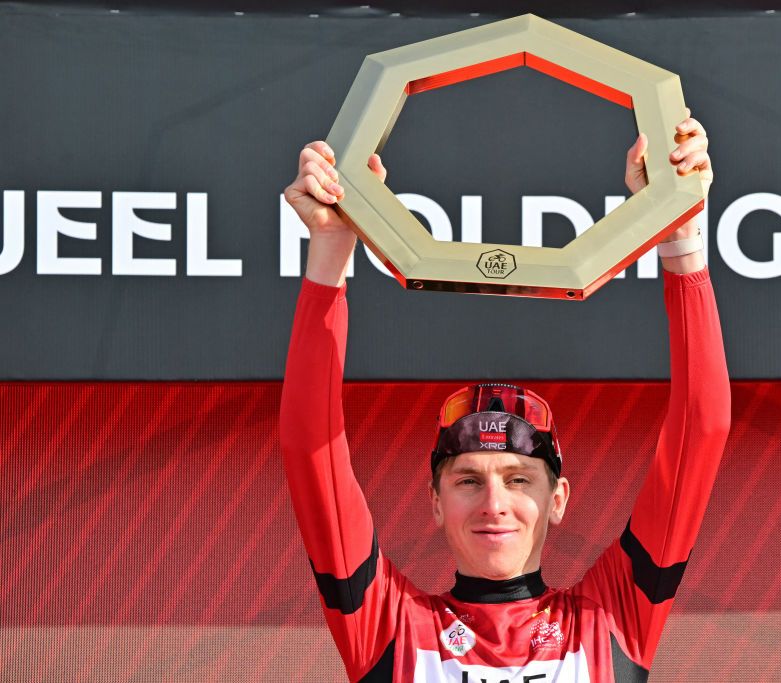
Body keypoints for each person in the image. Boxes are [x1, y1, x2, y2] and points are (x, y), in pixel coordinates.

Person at [280, 108, 730, 681]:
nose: (494, 503)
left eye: (519, 479)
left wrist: (680, 232)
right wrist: (331, 245)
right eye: (468, 480)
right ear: (436, 502)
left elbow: (703, 430)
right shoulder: (392, 626)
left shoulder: (610, 618)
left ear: (559, 498)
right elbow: (310, 450)